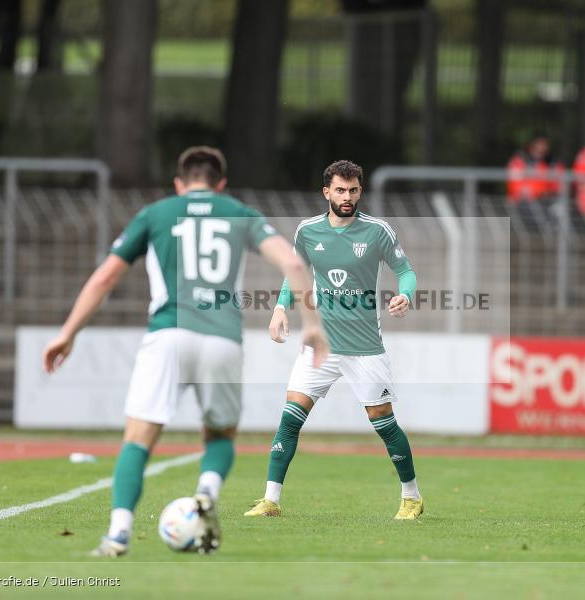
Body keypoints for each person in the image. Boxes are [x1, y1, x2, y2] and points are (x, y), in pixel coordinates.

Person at [42, 146, 329, 557]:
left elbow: (106, 276)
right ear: (221, 183)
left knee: (138, 438)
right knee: (220, 434)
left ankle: (118, 533)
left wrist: (68, 332)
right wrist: (313, 326)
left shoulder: (156, 213)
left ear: (179, 182)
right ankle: (206, 492)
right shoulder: (239, 212)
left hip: (167, 336)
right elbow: (295, 265)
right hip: (221, 340)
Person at [243, 159, 424, 520]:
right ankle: (270, 500)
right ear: (326, 192)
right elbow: (295, 274)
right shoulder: (308, 231)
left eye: (353, 190)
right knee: (290, 418)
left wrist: (406, 294)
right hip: (320, 346)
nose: (347, 196)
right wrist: (280, 308)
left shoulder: (378, 231)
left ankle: (412, 497)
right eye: (340, 190)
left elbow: (405, 271)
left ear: (360, 191)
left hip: (364, 348)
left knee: (383, 422)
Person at [506, 133, 564, 204]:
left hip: (545, 200)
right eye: (540, 143)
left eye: (545, 144)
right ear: (533, 143)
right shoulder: (520, 158)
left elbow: (558, 185)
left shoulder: (553, 162)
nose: (542, 146)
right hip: (521, 200)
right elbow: (514, 182)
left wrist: (548, 192)